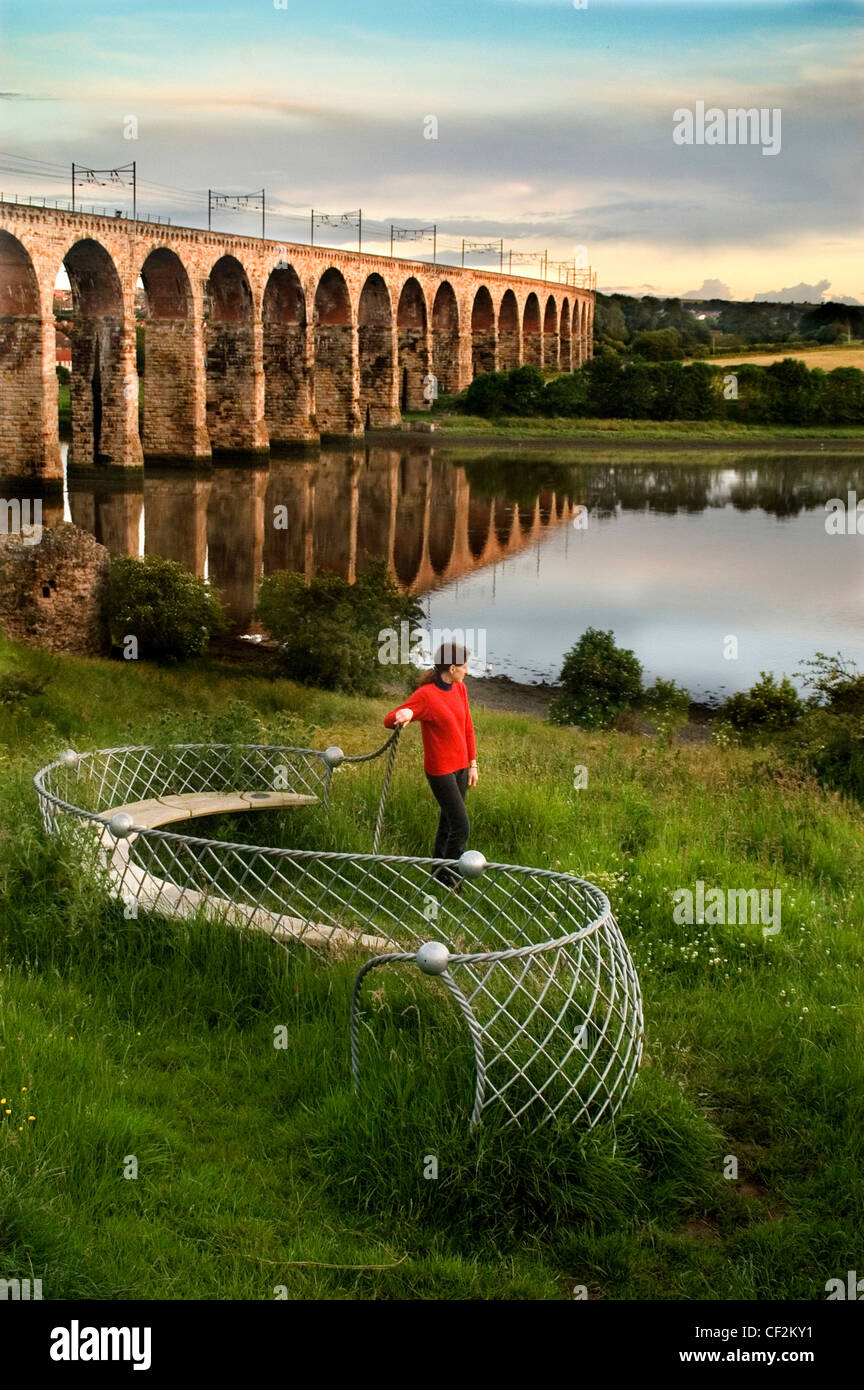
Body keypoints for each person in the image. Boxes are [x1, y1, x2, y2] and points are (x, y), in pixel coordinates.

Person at [383, 642, 478, 888]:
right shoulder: (426, 695)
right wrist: (404, 715)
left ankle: (438, 872)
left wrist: (473, 764)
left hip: (461, 767)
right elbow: (390, 718)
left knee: (448, 822)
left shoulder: (460, 689)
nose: (467, 671)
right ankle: (452, 877)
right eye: (465, 666)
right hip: (440, 771)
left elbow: (467, 726)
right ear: (453, 667)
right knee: (461, 826)